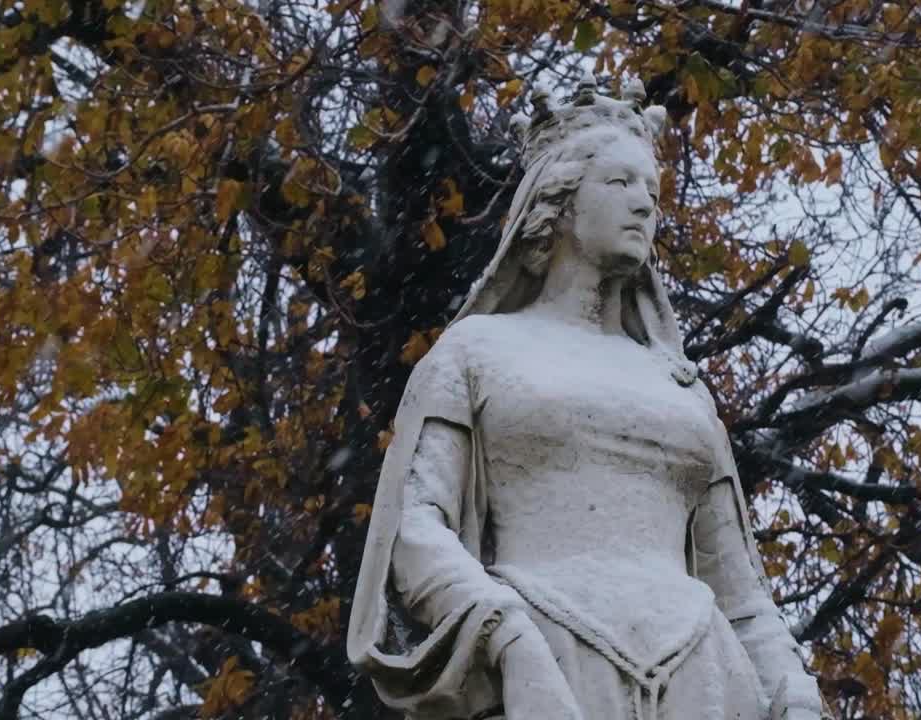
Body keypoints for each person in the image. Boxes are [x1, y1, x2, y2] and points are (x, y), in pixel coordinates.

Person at [348, 73, 831, 720]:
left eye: (653, 192)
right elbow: (416, 531)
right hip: (550, 658)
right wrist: (507, 635)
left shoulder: (680, 388)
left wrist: (793, 694)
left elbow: (742, 598)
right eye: (620, 184)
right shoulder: (476, 353)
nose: (644, 205)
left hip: (706, 679)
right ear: (559, 198)